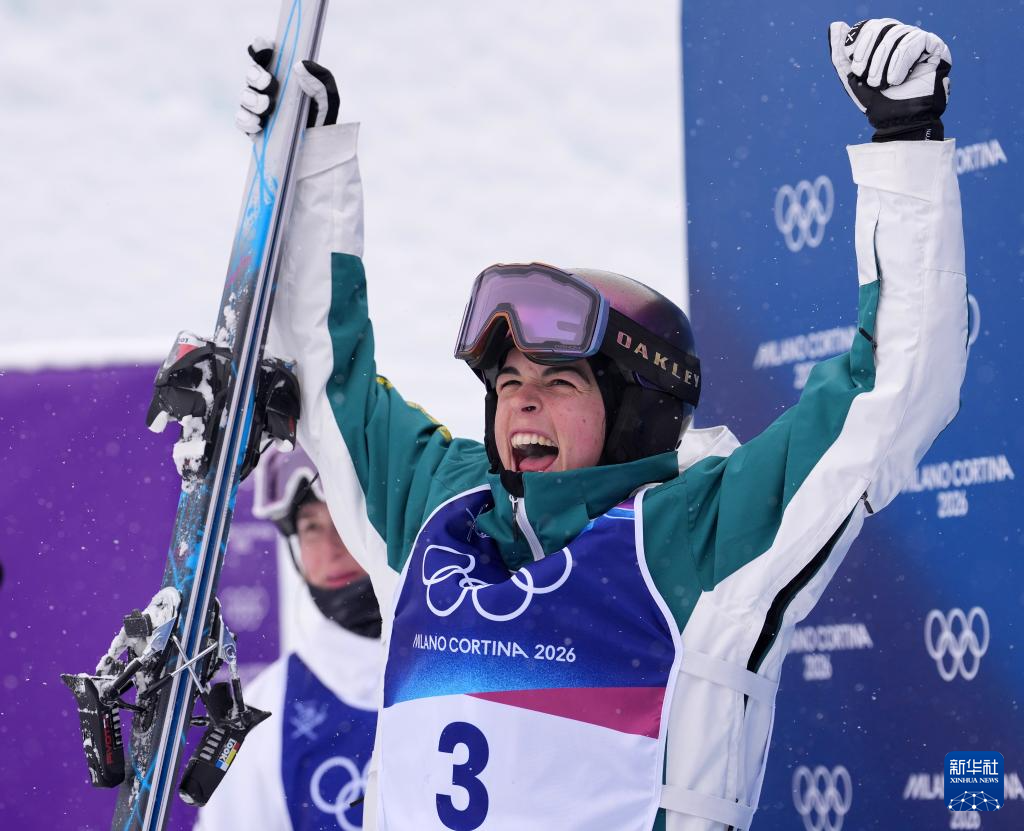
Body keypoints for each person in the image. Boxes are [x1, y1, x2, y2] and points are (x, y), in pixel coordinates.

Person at [243, 17, 967, 830]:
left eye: (558, 381)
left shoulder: (697, 537)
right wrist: (304, 162)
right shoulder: (442, 512)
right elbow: (329, 373)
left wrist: (906, 143)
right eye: (507, 380)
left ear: (634, 414)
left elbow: (890, 392)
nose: (521, 401)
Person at [196, 445, 382, 831]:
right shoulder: (263, 711)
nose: (331, 548)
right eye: (311, 527)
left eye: (346, 521)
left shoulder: (463, 666)